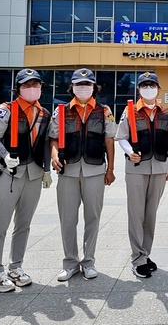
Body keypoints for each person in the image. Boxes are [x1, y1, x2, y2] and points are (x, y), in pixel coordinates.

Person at [0, 69, 52, 293]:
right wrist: (5, 155)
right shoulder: (7, 109)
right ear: (18, 88)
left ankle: (16, 267)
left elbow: (44, 143)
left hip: (33, 172)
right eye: (27, 84)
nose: (32, 88)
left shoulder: (44, 113)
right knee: (0, 223)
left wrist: (47, 170)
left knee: (24, 224)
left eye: (36, 84)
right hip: (8, 172)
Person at [49, 68, 117, 282]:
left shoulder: (103, 111)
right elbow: (53, 137)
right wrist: (53, 155)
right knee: (67, 219)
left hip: (95, 169)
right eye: (79, 84)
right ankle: (70, 263)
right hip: (68, 170)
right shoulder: (62, 110)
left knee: (93, 218)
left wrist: (110, 169)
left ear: (94, 88)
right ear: (72, 87)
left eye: (87, 85)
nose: (83, 88)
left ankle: (88, 262)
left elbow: (109, 140)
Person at [116, 72, 168, 279]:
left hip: (160, 167)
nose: (148, 88)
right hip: (136, 168)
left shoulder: (166, 113)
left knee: (150, 215)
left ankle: (145, 253)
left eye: (152, 85)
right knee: (136, 214)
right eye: (145, 85)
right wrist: (129, 151)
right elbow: (122, 137)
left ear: (158, 89)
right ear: (139, 89)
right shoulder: (130, 111)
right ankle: (137, 258)